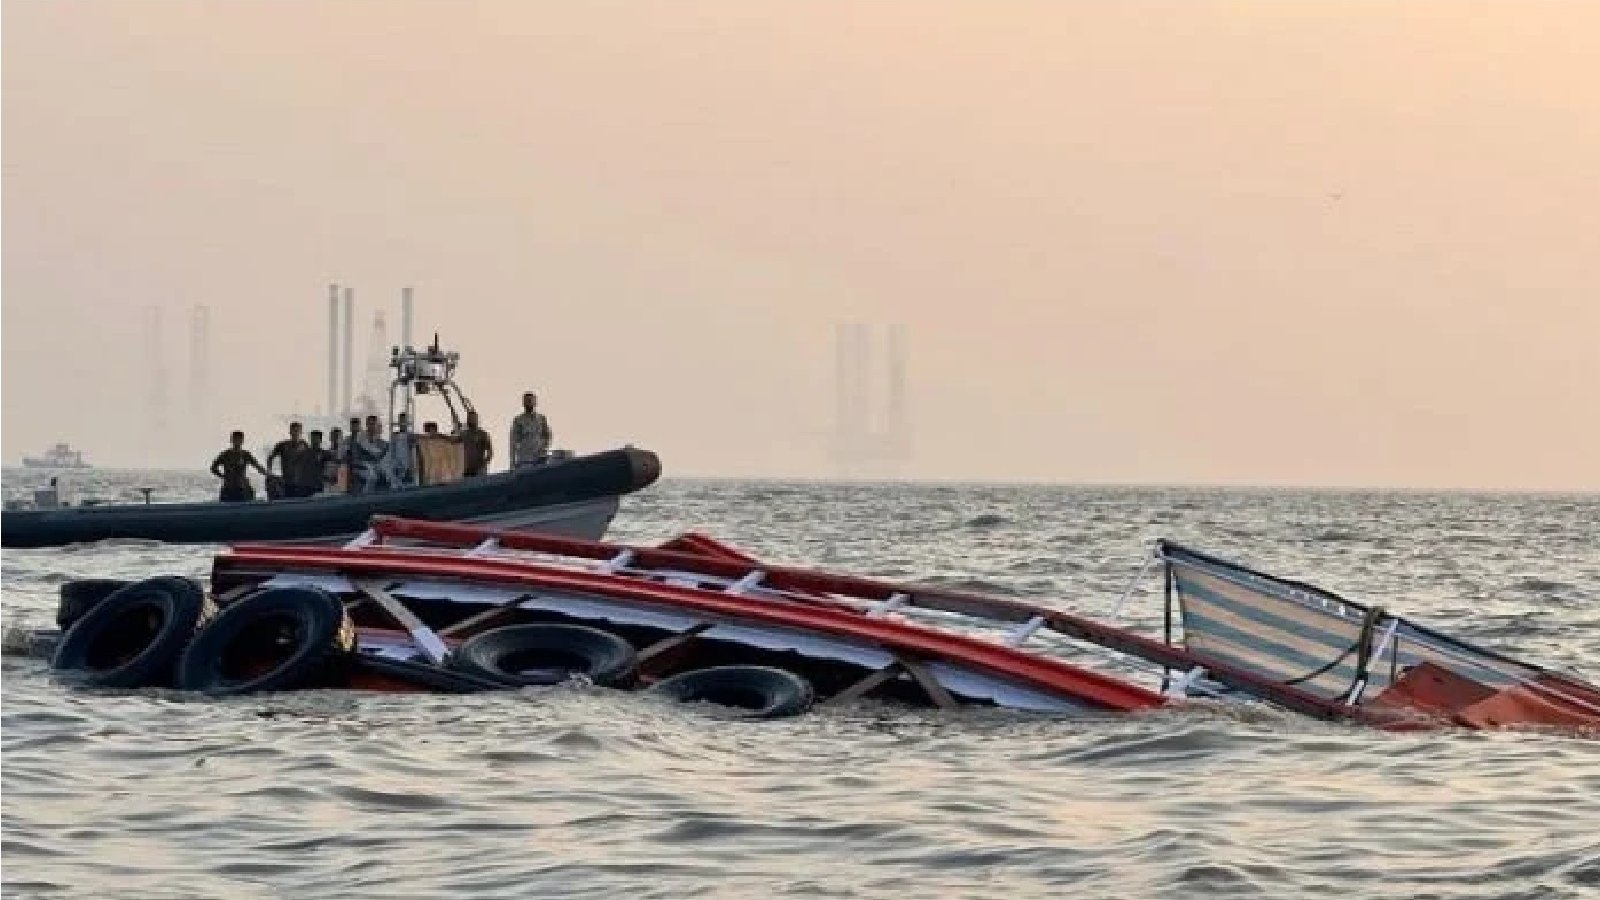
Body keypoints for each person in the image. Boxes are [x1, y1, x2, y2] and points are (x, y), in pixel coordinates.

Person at [210, 431, 268, 503]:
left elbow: (258, 467)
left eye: (239, 439)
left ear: (242, 441)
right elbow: (213, 468)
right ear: (231, 440)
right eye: (235, 439)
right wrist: (223, 476)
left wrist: (268, 475)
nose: (237, 441)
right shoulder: (225, 455)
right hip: (228, 488)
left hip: (241, 488)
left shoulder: (245, 454)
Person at [266, 423, 310, 498]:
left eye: (297, 431)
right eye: (293, 431)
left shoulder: (304, 445)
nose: (295, 433)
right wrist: (270, 472)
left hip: (300, 481)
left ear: (301, 432)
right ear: (290, 432)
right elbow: (270, 458)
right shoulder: (282, 445)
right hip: (287, 480)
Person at [509, 392, 552, 467]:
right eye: (526, 401)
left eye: (530, 401)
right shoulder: (519, 420)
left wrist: (545, 447)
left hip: (540, 457)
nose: (528, 403)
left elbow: (547, 435)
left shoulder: (541, 418)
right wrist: (512, 462)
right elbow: (513, 441)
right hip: (525, 459)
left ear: (535, 402)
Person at [351, 415, 389, 493]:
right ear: (366, 425)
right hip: (361, 465)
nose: (371, 426)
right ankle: (366, 497)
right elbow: (361, 454)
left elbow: (380, 456)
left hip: (375, 465)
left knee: (387, 472)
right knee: (372, 476)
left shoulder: (381, 441)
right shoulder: (360, 437)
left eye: (373, 424)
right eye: (369, 424)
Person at [458, 409, 493, 477]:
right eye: (469, 418)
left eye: (473, 418)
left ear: (476, 420)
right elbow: (452, 440)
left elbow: (490, 451)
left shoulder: (483, 434)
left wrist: (485, 462)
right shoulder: (464, 434)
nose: (471, 420)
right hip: (467, 469)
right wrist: (439, 436)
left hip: (479, 469)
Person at [388, 412, 418, 487]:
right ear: (399, 422)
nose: (403, 423)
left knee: (409, 483)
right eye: (401, 421)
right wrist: (393, 462)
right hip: (397, 462)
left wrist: (412, 465)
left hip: (408, 462)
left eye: (404, 421)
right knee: (396, 483)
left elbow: (413, 450)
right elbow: (392, 450)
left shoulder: (411, 435)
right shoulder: (394, 435)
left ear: (407, 422)